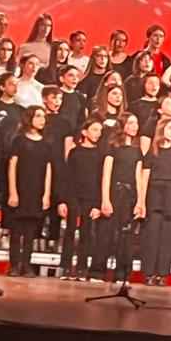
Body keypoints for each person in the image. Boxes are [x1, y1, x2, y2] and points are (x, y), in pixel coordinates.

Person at [136, 117, 171, 286]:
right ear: (162, 130)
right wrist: (141, 202)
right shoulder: (152, 152)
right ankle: (148, 273)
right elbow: (144, 177)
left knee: (167, 237)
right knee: (152, 235)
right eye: (170, 128)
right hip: (154, 195)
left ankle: (163, 274)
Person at [6, 105, 51, 277]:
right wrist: (13, 191)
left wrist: (46, 194)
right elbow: (12, 166)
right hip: (20, 187)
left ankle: (26, 265)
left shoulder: (46, 143)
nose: (42, 119)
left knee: (31, 232)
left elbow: (48, 169)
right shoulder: (19, 140)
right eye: (38, 116)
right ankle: (14, 265)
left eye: (43, 117)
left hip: (37, 190)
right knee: (16, 231)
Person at [98, 113, 142, 285]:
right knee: (107, 233)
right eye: (131, 123)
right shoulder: (113, 147)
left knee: (126, 236)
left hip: (129, 195)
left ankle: (122, 273)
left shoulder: (137, 151)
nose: (134, 126)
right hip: (114, 192)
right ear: (122, 125)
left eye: (136, 123)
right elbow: (106, 174)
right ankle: (98, 270)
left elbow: (138, 178)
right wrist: (105, 199)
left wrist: (139, 201)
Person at [60, 117, 104, 281]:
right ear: (85, 132)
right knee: (70, 230)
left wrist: (97, 204)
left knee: (86, 232)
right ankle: (65, 267)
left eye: (100, 130)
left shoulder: (99, 153)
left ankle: (81, 268)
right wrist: (63, 200)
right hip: (73, 195)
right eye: (94, 129)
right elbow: (68, 176)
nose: (98, 133)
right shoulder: (75, 152)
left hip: (90, 197)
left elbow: (100, 180)